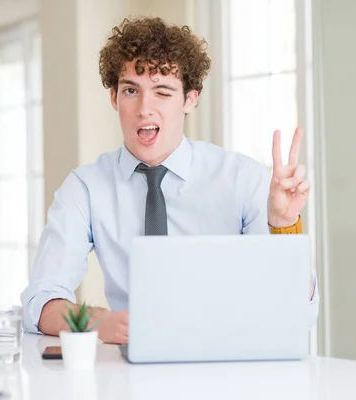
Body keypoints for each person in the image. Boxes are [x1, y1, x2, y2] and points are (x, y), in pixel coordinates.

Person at [21, 17, 318, 344]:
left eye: (162, 92)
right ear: (114, 98)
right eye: (131, 90)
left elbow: (298, 312)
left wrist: (285, 227)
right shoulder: (86, 188)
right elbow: (40, 302)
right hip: (130, 369)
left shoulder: (243, 178)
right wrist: (96, 323)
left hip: (228, 363)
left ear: (190, 99)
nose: (144, 108)